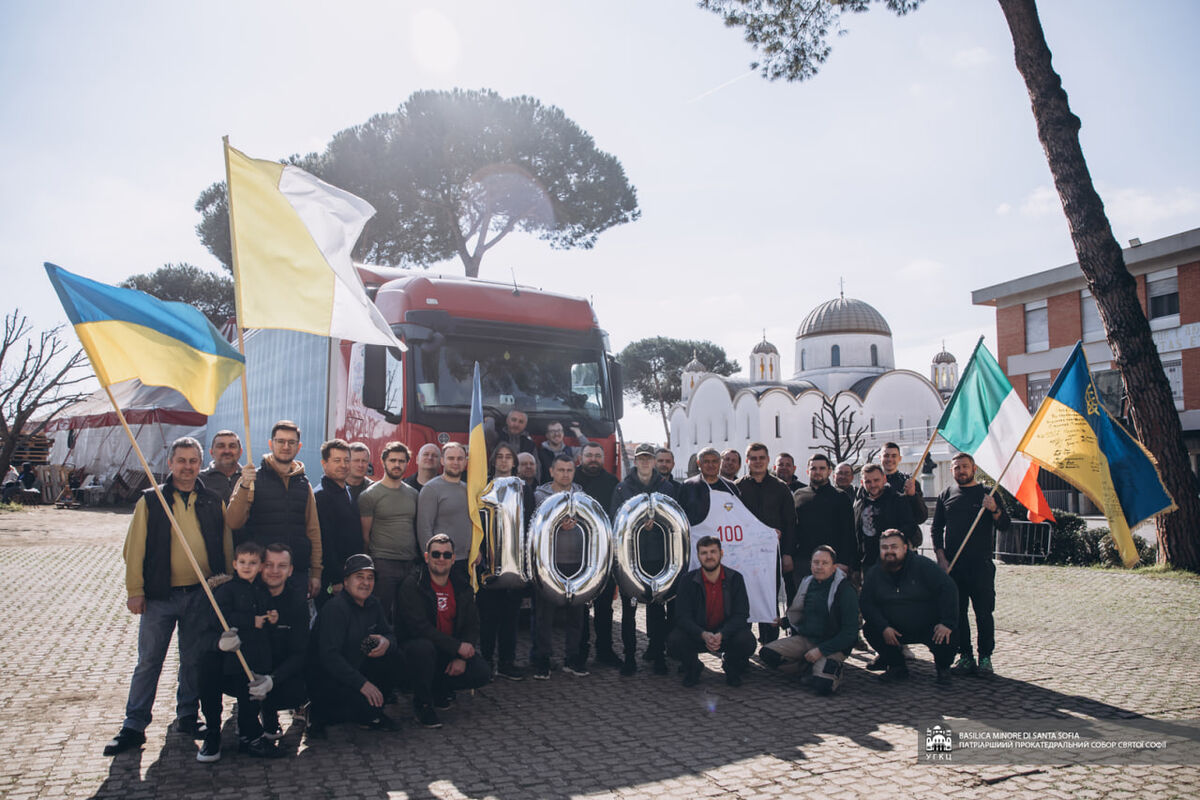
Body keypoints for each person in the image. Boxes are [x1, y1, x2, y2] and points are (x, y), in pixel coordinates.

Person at [103, 437, 233, 756]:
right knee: (149, 661)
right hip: (161, 596)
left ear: (200, 464)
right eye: (181, 460)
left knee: (193, 660)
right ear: (170, 463)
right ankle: (134, 725)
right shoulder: (151, 501)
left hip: (202, 595)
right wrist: (135, 591)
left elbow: (227, 546)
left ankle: (187, 716)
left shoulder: (213, 500)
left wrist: (226, 588)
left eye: (193, 461)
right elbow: (133, 550)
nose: (187, 467)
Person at [196, 542, 282, 762]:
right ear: (234, 564)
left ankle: (249, 736)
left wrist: (271, 618)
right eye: (242, 562)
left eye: (252, 563)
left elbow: (265, 618)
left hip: (251, 656)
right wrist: (248, 621)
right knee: (209, 686)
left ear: (260, 566)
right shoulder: (225, 590)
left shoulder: (261, 591)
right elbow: (220, 618)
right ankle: (213, 732)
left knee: (249, 699)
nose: (246, 567)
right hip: (225, 657)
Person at [396, 535, 491, 728]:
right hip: (415, 649)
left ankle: (439, 688)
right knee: (423, 649)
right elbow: (418, 627)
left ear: (453, 559)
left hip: (448, 650)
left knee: (482, 672)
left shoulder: (461, 584)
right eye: (436, 554)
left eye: (446, 554)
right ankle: (422, 703)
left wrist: (462, 657)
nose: (441, 558)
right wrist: (457, 647)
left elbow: (473, 624)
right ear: (426, 557)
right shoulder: (413, 585)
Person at [307, 554, 406, 734]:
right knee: (350, 709)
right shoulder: (335, 609)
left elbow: (390, 635)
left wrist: (386, 642)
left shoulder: (373, 603)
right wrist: (362, 684)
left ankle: (372, 712)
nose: (365, 583)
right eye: (359, 577)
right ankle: (320, 713)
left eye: (370, 578)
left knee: (395, 657)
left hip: (357, 667)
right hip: (329, 679)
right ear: (346, 582)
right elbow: (329, 657)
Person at [932, 453, 1010, 678]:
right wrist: (941, 557)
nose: (961, 471)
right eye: (957, 468)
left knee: (984, 613)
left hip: (981, 567)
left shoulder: (988, 494)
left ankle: (985, 657)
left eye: (965, 467)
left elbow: (1005, 525)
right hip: (954, 567)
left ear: (974, 468)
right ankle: (965, 655)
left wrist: (995, 509)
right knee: (958, 613)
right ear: (951, 471)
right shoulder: (945, 495)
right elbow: (936, 530)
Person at [226, 421, 323, 599]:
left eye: (291, 442)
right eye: (280, 441)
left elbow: (313, 530)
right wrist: (245, 486)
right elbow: (233, 522)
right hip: (261, 572)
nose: (286, 446)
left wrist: (316, 572)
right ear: (271, 444)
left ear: (298, 446)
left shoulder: (304, 484)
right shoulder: (251, 479)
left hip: (296, 572)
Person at [608, 442, 681, 676]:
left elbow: (675, 519)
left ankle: (657, 654)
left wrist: (656, 524)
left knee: (657, 608)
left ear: (654, 461)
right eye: (641, 458)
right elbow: (615, 520)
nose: (645, 462)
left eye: (649, 458)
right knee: (629, 610)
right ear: (636, 461)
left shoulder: (666, 487)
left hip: (659, 557)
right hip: (630, 557)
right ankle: (630, 658)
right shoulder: (622, 489)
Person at [860, 530, 958, 686]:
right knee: (871, 629)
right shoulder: (874, 573)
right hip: (894, 629)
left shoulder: (923, 565)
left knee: (948, 634)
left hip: (928, 626)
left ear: (905, 548)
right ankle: (897, 666)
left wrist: (947, 621)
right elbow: (866, 603)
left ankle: (943, 667)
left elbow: (948, 589)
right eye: (884, 547)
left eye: (894, 546)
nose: (889, 551)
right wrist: (883, 626)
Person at [761, 546, 859, 695]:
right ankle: (809, 666)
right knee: (767, 654)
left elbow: (850, 633)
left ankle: (828, 669)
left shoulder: (845, 590)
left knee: (823, 686)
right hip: (807, 639)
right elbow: (804, 614)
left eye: (824, 563)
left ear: (834, 567)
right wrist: (783, 622)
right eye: (816, 562)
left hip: (832, 645)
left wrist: (821, 651)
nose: (819, 567)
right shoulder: (807, 582)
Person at [531, 453, 590, 679]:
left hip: (577, 563)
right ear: (552, 472)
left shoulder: (582, 495)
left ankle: (572, 659)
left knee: (576, 615)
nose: (565, 474)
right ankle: (542, 660)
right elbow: (535, 525)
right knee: (544, 615)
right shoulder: (539, 495)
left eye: (569, 470)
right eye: (561, 470)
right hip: (548, 563)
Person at [667, 536, 755, 687]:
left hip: (726, 635)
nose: (709, 556)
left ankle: (731, 665)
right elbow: (682, 616)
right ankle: (693, 667)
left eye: (713, 552)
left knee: (747, 641)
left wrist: (722, 634)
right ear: (698, 556)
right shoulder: (687, 581)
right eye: (704, 553)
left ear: (721, 553)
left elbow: (741, 615)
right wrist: (702, 634)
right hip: (698, 634)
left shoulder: (735, 579)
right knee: (674, 641)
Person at [476, 443, 530, 681]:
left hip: (516, 563)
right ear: (493, 460)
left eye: (509, 457)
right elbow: (476, 521)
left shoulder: (524, 489)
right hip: (488, 561)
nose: (504, 461)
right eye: (500, 456)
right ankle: (486, 661)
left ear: (514, 462)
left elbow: (531, 524)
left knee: (511, 618)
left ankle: (507, 662)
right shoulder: (483, 487)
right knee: (488, 617)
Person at [735, 442, 795, 646]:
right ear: (747, 461)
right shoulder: (737, 488)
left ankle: (770, 645)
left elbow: (790, 523)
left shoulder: (780, 488)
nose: (758, 462)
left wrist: (787, 553)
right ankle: (742, 643)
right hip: (743, 555)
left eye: (761, 458)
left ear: (768, 460)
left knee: (769, 598)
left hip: (771, 555)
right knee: (742, 598)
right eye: (753, 458)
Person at [359, 442, 420, 622]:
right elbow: (365, 535)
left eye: (401, 461)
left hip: (409, 563)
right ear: (383, 461)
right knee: (380, 614)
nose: (397, 464)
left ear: (407, 464)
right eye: (392, 460)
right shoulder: (370, 495)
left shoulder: (413, 494)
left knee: (407, 615)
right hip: (383, 563)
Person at [257, 543, 310, 742]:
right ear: (261, 567)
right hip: (251, 670)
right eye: (269, 565)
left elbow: (300, 651)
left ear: (290, 571)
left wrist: (273, 679)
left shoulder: (297, 602)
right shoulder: (249, 594)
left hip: (282, 672)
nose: (274, 571)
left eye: (281, 566)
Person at [574, 442, 620, 668]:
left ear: (603, 459)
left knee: (604, 606)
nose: (593, 459)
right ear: (580, 457)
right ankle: (579, 652)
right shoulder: (571, 480)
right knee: (580, 605)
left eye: (597, 456)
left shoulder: (612, 482)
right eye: (589, 455)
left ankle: (605, 650)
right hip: (577, 553)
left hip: (604, 552)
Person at [313, 439, 362, 609]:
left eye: (346, 460)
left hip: (350, 576)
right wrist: (336, 579)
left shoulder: (346, 491)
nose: (343, 465)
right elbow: (325, 542)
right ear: (324, 464)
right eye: (337, 460)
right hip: (333, 581)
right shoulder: (321, 496)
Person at [792, 454, 856, 580]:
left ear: (829, 471)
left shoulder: (841, 497)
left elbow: (848, 533)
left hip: (833, 562)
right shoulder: (799, 495)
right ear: (807, 471)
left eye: (822, 468)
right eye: (813, 468)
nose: (817, 472)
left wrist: (844, 561)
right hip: (803, 561)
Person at [416, 443, 472, 580]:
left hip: (465, 561)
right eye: (451, 458)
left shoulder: (469, 489)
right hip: (441, 562)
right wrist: (431, 558)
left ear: (465, 461)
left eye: (460, 458)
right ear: (442, 461)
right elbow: (424, 528)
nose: (455, 462)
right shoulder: (431, 489)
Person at [854, 464, 914, 573]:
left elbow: (910, 527)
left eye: (876, 480)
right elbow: (856, 536)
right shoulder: (859, 504)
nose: (873, 485)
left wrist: (895, 535)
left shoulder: (898, 500)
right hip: (868, 564)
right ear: (862, 483)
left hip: (894, 563)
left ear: (884, 479)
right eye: (868, 482)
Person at [678, 447, 740, 526]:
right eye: (706, 461)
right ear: (699, 463)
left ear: (720, 463)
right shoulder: (687, 486)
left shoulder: (730, 487)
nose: (711, 465)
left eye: (714, 461)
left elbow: (737, 515)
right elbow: (681, 516)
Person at [881, 442, 927, 546]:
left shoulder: (910, 482)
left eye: (894, 456)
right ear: (880, 457)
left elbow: (921, 517)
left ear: (900, 459)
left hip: (905, 541)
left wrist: (913, 496)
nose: (889, 459)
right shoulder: (872, 482)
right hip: (878, 541)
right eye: (886, 455)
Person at [199, 430, 243, 504]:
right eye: (221, 446)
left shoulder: (250, 480)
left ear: (240, 452)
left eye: (232, 446)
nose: (227, 451)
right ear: (211, 452)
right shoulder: (199, 480)